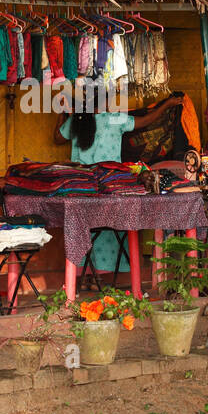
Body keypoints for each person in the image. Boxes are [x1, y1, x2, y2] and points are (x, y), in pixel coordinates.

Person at [54, 83, 183, 274]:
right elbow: (146, 120)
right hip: (110, 187)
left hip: (82, 188)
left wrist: (61, 113)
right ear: (106, 100)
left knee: (85, 229)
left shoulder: (77, 120)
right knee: (111, 228)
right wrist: (167, 105)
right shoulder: (114, 119)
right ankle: (108, 272)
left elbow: (57, 138)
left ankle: (84, 274)